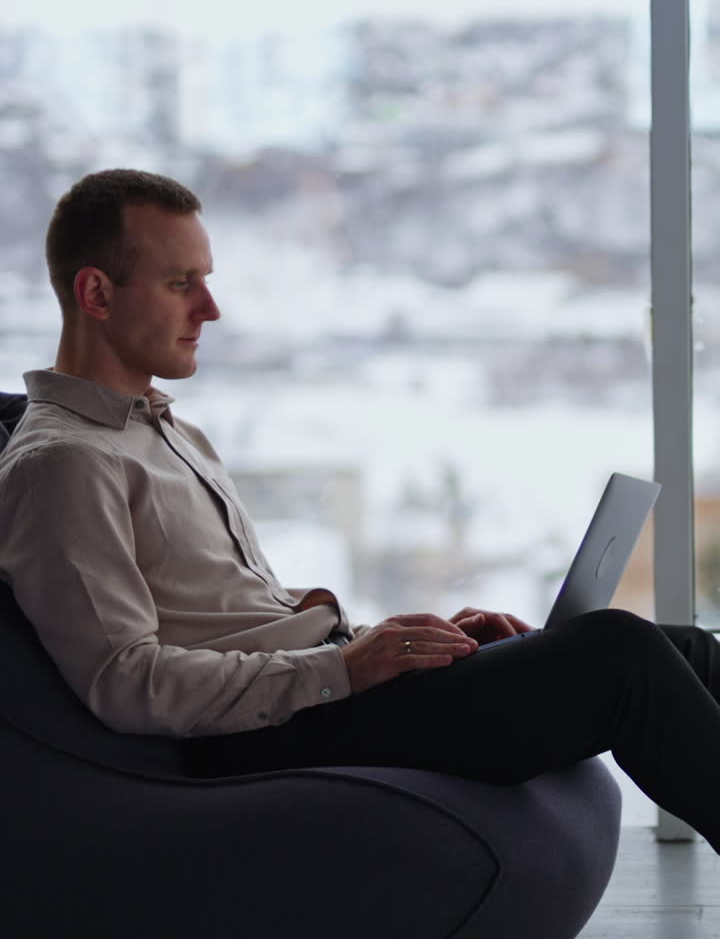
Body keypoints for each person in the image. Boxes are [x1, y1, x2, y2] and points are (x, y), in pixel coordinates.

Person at [1, 167, 720, 851]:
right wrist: (344, 671)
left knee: (680, 646)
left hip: (324, 691)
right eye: (180, 283)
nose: (209, 309)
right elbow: (125, 683)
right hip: (273, 732)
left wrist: (398, 643)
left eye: (206, 282)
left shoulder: (165, 430)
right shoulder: (64, 464)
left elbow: (232, 614)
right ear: (96, 294)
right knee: (619, 654)